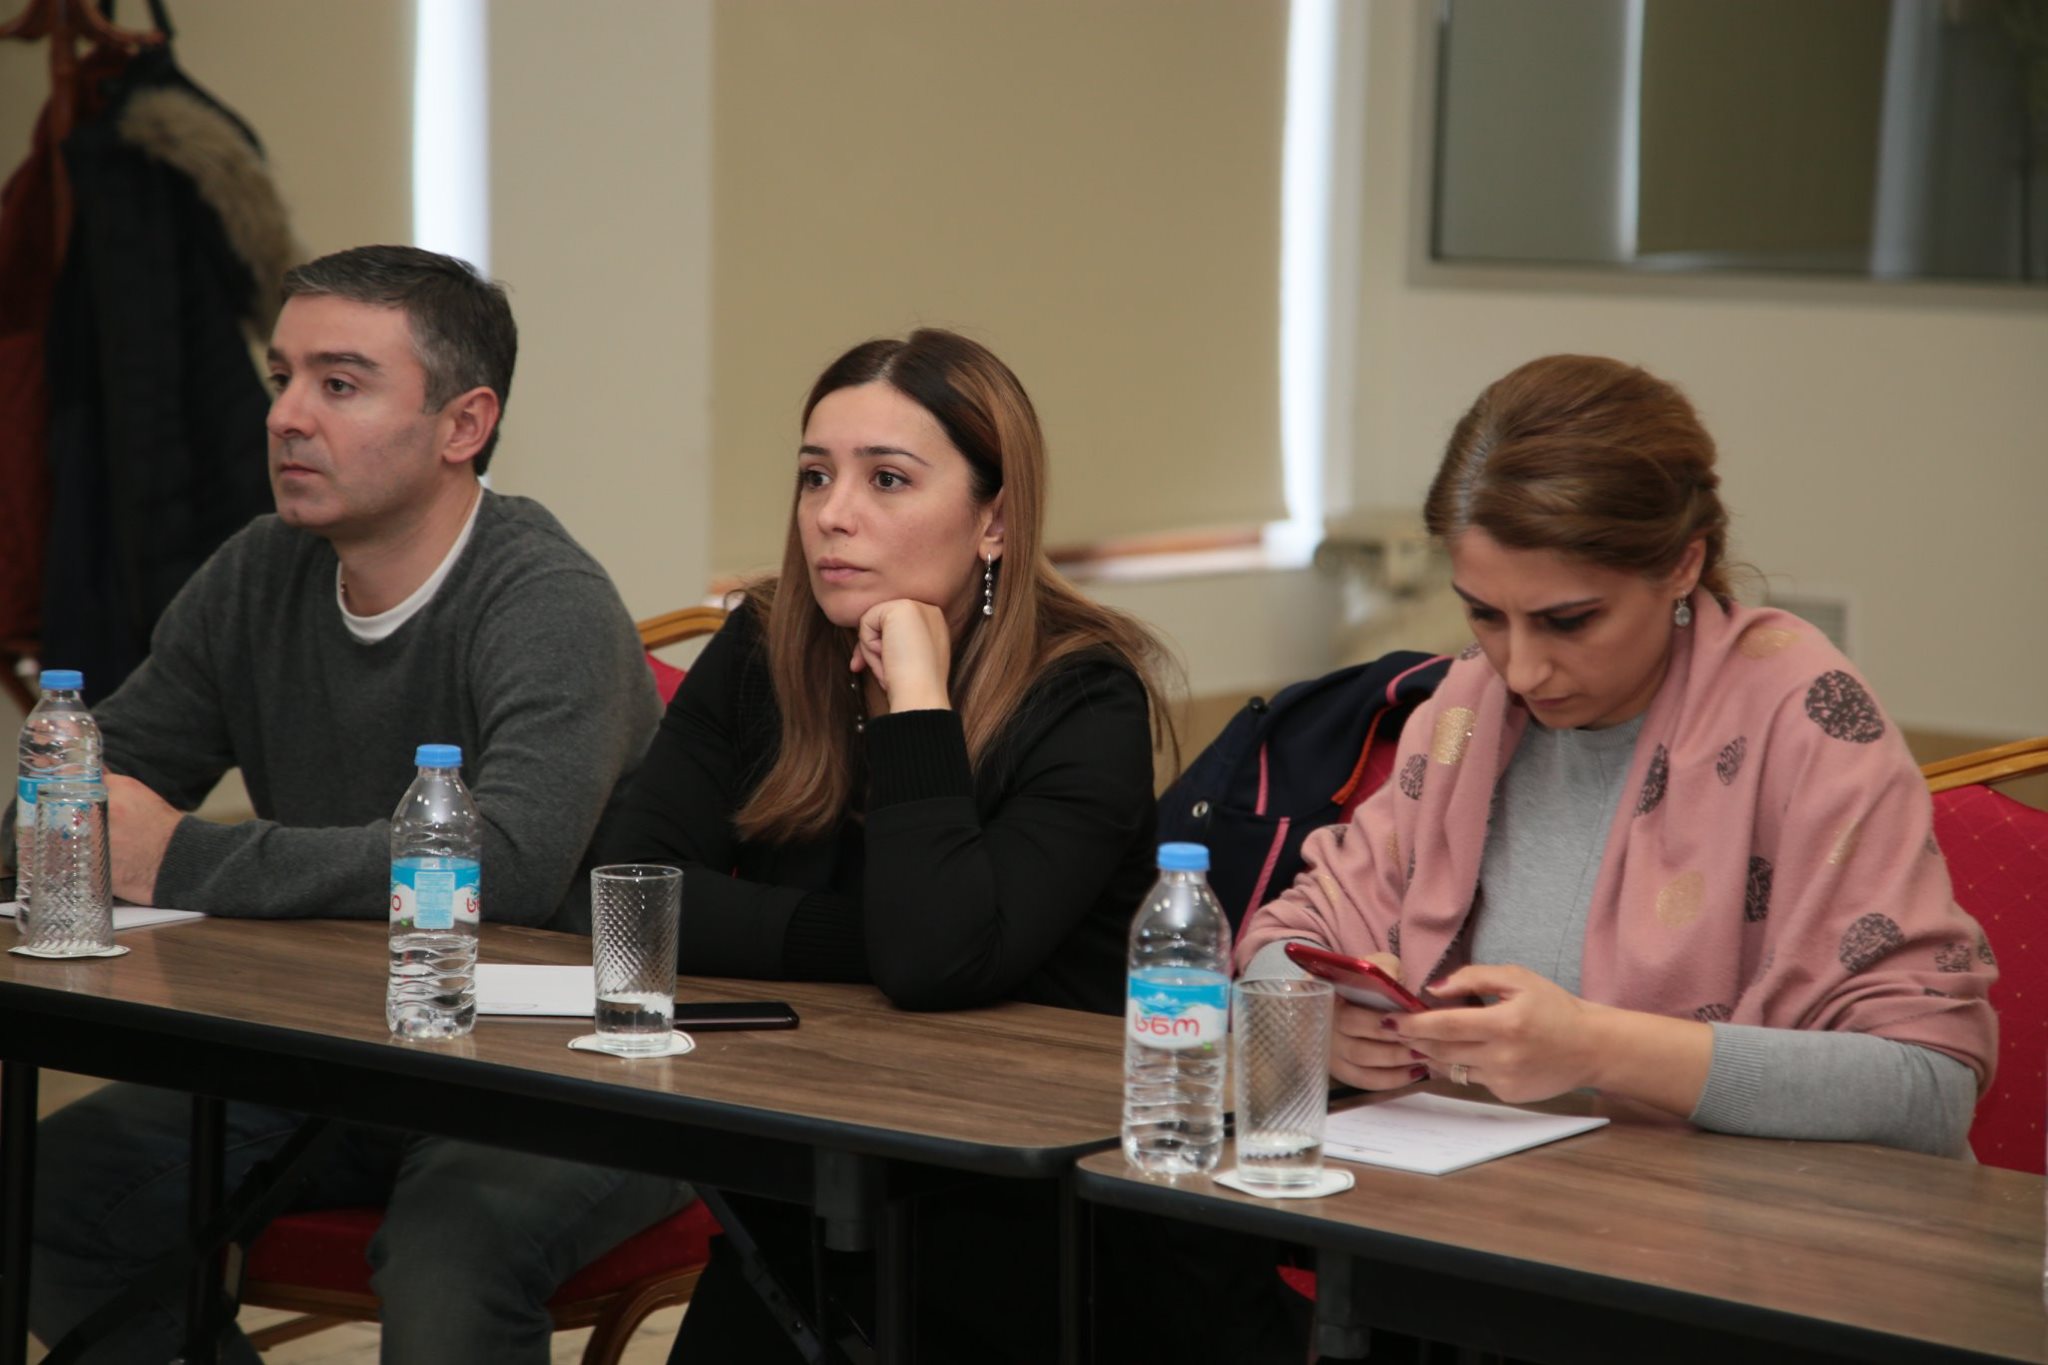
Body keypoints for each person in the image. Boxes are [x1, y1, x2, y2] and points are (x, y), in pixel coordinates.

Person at [30, 245, 689, 1365]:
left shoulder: (547, 599)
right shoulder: (258, 574)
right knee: (51, 1190)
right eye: (281, 376)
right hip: (336, 1051)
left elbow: (507, 865)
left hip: (560, 1071)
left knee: (451, 1253)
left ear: (463, 424)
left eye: (338, 384)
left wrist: (182, 858)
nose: (285, 416)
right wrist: (72, 829)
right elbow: (82, 786)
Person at [600, 329, 1298, 1363]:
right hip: (823, 1166)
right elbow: (624, 902)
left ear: (994, 521)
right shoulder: (765, 645)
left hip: (1049, 1222)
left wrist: (918, 702)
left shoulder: (1084, 694)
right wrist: (866, 941)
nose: (832, 513)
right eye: (815, 476)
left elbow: (930, 959)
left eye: (886, 479)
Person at [1238, 353, 1996, 1157]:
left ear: (1683, 564)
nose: (1521, 671)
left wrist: (1599, 1049)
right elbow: (1288, 939)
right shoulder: (1468, 709)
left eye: (1569, 621)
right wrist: (1319, 1021)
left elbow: (1927, 1086)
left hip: (1736, 1222)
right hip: (1500, 1204)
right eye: (1484, 615)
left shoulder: (1806, 715)